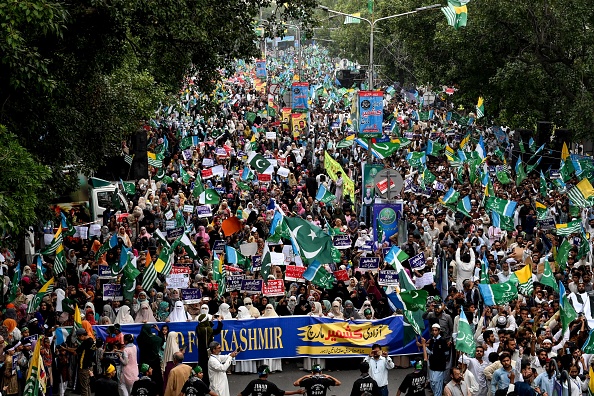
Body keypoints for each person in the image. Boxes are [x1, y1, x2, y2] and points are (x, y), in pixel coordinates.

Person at [62, 327, 97, 396]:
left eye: (78, 337)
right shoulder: (91, 341)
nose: (78, 339)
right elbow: (78, 349)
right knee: (87, 386)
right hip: (89, 366)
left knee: (84, 389)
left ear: (82, 335)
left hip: (84, 367)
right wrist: (68, 348)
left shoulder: (86, 342)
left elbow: (75, 351)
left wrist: (66, 349)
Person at [238, 364, 305, 396]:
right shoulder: (270, 385)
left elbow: (242, 394)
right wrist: (296, 392)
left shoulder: (252, 383)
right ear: (267, 374)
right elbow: (282, 393)